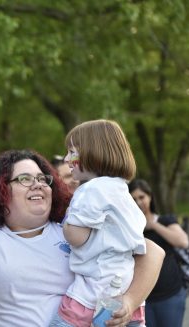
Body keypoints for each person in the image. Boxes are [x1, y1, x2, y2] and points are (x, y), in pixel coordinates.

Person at [0, 149, 165, 327]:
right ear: (1, 190)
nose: (38, 184)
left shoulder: (73, 233)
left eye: (42, 178)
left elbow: (152, 253)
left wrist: (129, 302)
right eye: (24, 179)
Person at [50, 120, 147, 327]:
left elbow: (76, 237)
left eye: (71, 152)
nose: (66, 158)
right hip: (125, 292)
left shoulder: (91, 190)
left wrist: (69, 217)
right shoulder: (121, 190)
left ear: (93, 152)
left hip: (92, 295)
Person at [128, 179, 189, 327]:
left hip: (170, 294)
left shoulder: (165, 220)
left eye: (142, 197)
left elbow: (183, 241)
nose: (138, 202)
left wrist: (153, 225)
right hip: (142, 297)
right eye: (133, 199)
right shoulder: (128, 228)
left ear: (150, 197)